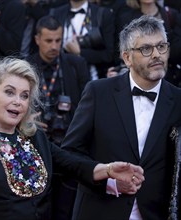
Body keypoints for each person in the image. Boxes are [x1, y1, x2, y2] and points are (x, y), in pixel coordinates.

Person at [0, 57, 145, 220]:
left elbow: (72, 164)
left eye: (24, 96)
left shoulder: (35, 138)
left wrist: (109, 169)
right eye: (9, 92)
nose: (18, 101)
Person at [61, 15, 181, 220]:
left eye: (162, 46)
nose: (157, 55)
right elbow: (69, 155)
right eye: (146, 49)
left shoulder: (178, 100)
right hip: (99, 211)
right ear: (127, 58)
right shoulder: (98, 93)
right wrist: (107, 178)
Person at [27, 15, 89, 145]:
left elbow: (87, 104)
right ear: (37, 40)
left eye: (58, 40)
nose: (54, 46)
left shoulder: (77, 64)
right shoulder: (25, 66)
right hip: (35, 135)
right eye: (48, 41)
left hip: (70, 136)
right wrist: (25, 119)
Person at [50, 0, 115, 79]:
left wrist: (80, 52)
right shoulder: (55, 13)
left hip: (93, 78)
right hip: (62, 77)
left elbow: (109, 55)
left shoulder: (102, 14)